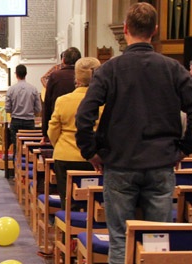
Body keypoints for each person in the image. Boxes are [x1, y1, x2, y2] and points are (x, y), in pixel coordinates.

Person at [75, 3, 192, 263]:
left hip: (119, 164)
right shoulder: (173, 69)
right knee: (156, 241)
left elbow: (84, 116)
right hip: (160, 164)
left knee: (119, 240)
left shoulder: (109, 70)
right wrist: (184, 147)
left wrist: (90, 152)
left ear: (125, 29)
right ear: (155, 30)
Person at [48, 57, 101, 211]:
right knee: (96, 202)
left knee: (68, 201)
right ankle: (93, 231)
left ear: (76, 78)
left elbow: (53, 130)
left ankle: (68, 232)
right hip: (95, 159)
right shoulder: (104, 101)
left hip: (66, 156)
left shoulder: (63, 100)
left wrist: (58, 145)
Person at [42, 47, 81, 142]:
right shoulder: (82, 75)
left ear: (63, 60)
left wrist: (45, 133)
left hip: (59, 125)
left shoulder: (55, 75)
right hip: (79, 123)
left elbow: (47, 104)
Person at [5, 64, 41, 160]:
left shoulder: (11, 89)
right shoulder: (33, 89)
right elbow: (38, 109)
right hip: (29, 121)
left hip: (16, 121)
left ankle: (17, 169)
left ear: (16, 75)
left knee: (17, 147)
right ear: (26, 74)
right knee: (30, 146)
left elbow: (7, 109)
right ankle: (30, 169)